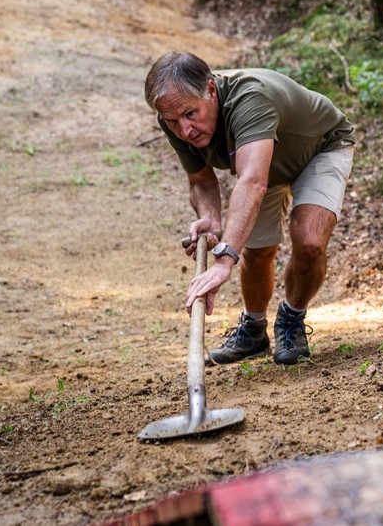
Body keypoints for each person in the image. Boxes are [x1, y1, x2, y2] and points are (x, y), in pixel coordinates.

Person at [144, 51, 356, 365]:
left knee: (309, 241)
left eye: (191, 114)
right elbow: (201, 180)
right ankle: (253, 329)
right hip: (262, 163)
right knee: (256, 251)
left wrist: (226, 256)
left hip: (320, 147)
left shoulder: (250, 98)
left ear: (211, 91)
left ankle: (292, 318)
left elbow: (252, 182)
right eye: (174, 121)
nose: (184, 130)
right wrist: (210, 219)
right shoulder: (173, 115)